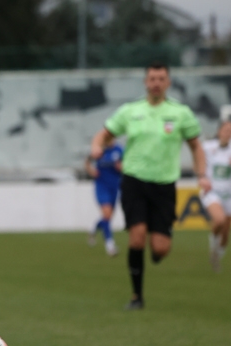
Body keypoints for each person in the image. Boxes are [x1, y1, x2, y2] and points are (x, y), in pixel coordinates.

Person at [90, 62, 210, 310]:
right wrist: (96, 146)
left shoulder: (180, 113)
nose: (156, 83)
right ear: (146, 82)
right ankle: (136, 297)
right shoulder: (130, 111)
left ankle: (157, 250)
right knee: (136, 239)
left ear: (168, 82)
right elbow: (104, 133)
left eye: (161, 79)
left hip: (165, 185)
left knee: (160, 248)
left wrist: (202, 174)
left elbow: (196, 146)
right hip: (134, 181)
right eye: (152, 78)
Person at [202, 120, 231, 272]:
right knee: (219, 219)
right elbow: (198, 160)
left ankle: (217, 255)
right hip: (211, 191)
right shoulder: (208, 147)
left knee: (226, 231)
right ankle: (212, 243)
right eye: (225, 130)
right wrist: (200, 177)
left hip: (230, 194)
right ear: (219, 131)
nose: (228, 133)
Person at [85, 141, 124, 256]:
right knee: (107, 215)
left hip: (115, 187)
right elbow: (87, 160)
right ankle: (110, 246)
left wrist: (120, 167)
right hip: (102, 187)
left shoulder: (119, 150)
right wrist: (91, 171)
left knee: (108, 217)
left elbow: (126, 166)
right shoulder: (100, 150)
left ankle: (93, 228)